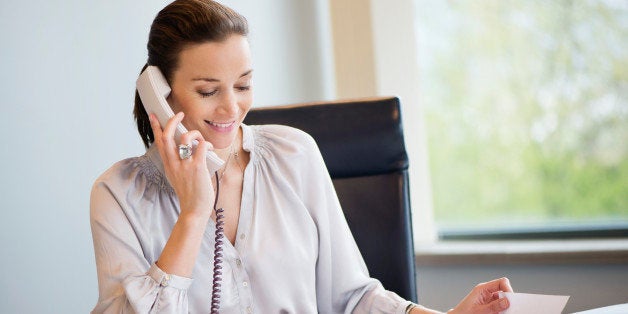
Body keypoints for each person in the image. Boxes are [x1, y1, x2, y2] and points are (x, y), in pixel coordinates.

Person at [90, 1, 514, 313]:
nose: (231, 109)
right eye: (207, 91)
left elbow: (353, 298)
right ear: (160, 94)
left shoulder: (295, 155)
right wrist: (194, 214)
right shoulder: (119, 196)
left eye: (243, 85)